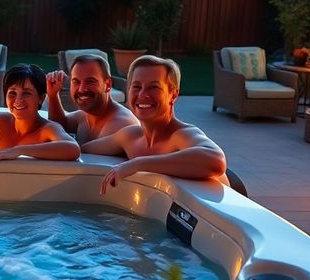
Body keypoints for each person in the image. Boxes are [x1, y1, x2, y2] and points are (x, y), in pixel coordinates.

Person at [82, 55, 228, 194]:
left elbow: (216, 160)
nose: (143, 94)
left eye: (154, 87)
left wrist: (136, 164)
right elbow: (82, 151)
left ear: (173, 94)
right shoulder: (130, 137)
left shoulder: (181, 135)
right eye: (137, 87)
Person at [45, 54, 138, 144]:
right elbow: (58, 125)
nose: (82, 89)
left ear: (108, 85)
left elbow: (80, 155)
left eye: (90, 81)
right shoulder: (84, 116)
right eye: (76, 82)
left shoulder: (120, 124)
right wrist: (53, 95)